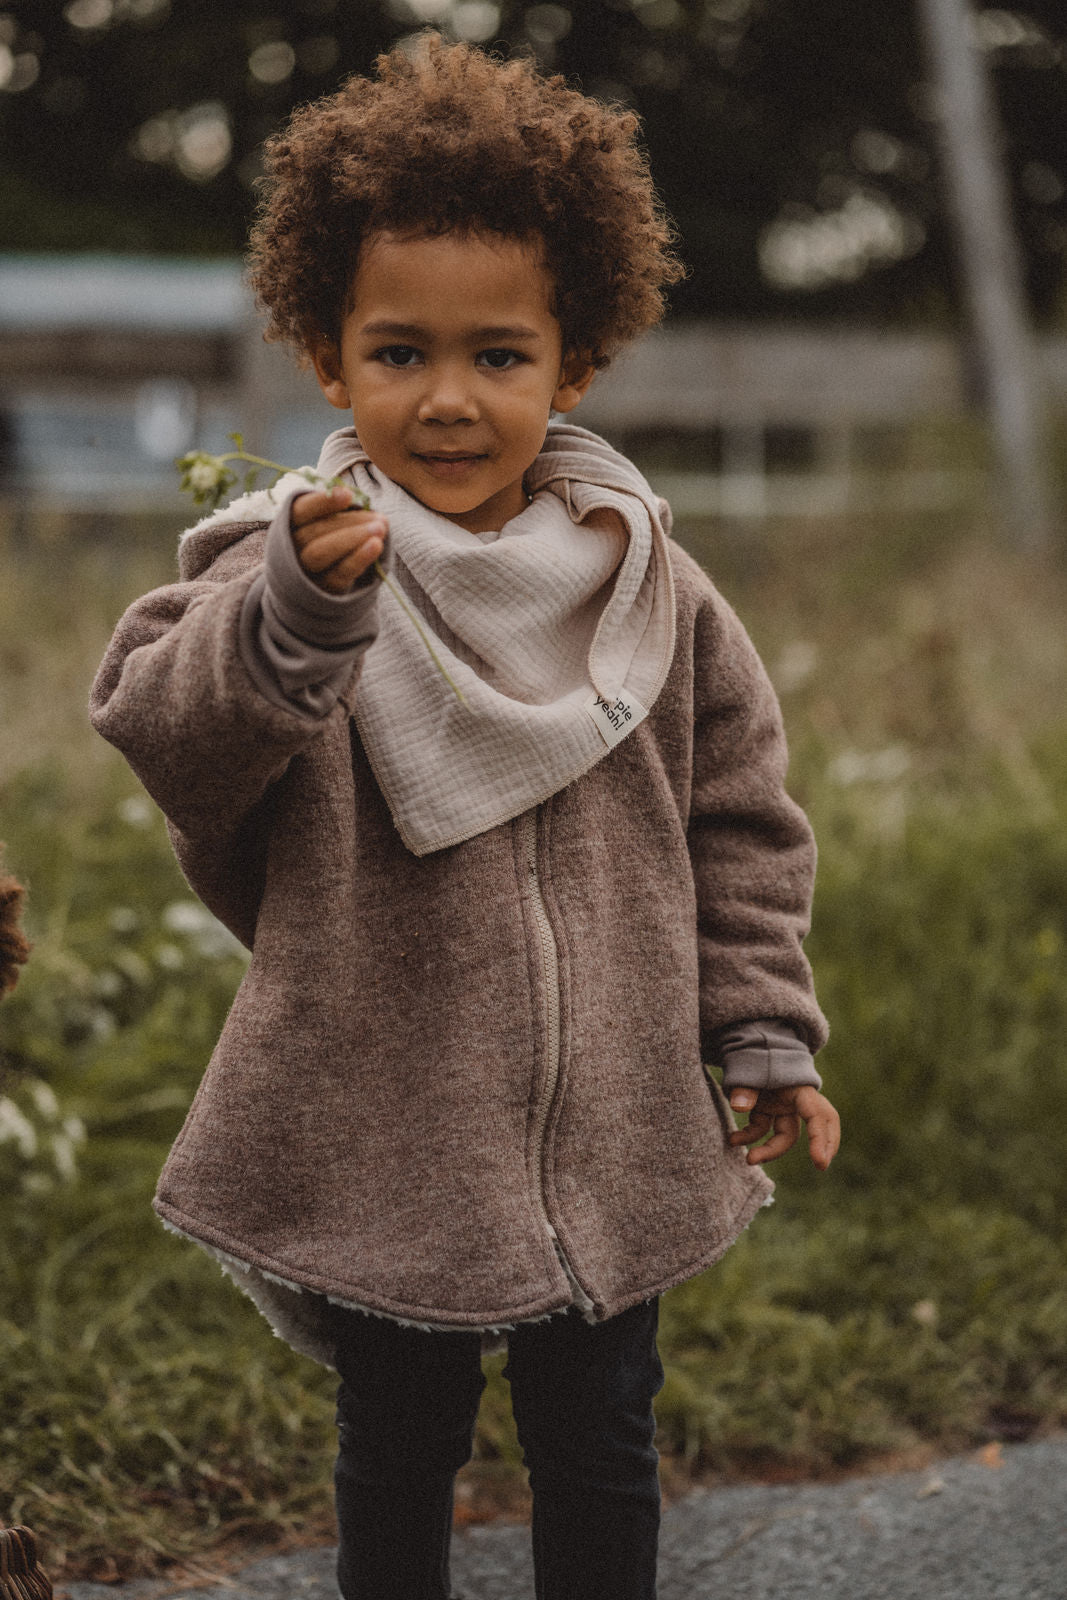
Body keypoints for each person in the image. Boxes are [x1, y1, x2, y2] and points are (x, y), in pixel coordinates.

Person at [90, 35, 840, 1600]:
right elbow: (170, 736)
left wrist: (763, 1025)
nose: (448, 398)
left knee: (602, 1439)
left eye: (499, 355)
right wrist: (293, 619)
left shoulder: (651, 586)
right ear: (326, 356)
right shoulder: (290, 563)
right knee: (398, 1438)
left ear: (574, 364)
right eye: (399, 352)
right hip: (389, 1120)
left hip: (614, 1121)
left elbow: (741, 818)